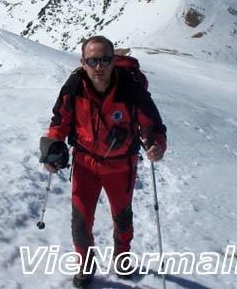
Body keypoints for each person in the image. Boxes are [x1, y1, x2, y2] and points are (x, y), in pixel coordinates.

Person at [39, 35, 167, 288]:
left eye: (105, 60)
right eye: (93, 60)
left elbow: (153, 125)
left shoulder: (131, 89)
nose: (99, 66)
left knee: (122, 217)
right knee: (80, 220)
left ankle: (122, 259)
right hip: (85, 163)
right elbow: (60, 122)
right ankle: (85, 267)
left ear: (113, 60)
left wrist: (156, 146)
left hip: (121, 165)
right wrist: (52, 149)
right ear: (83, 61)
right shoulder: (74, 87)